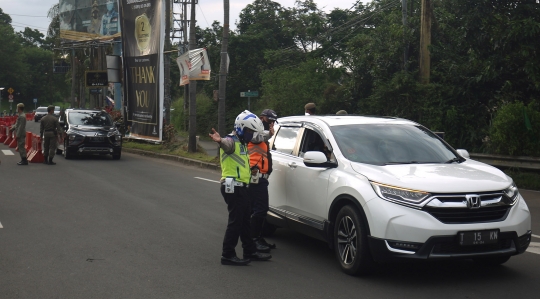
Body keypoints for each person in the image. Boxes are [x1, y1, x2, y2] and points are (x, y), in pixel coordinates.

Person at [209, 110, 272, 266]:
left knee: (245, 223)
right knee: (236, 222)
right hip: (233, 187)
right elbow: (226, 144)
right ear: (240, 128)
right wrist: (219, 141)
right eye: (249, 131)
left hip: (242, 187)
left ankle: (249, 250)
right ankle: (227, 254)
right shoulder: (231, 141)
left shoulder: (243, 142)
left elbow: (259, 138)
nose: (251, 135)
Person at [248, 109, 278, 252]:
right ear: (261, 118)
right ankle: (253, 240)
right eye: (269, 121)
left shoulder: (262, 136)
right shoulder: (253, 133)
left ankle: (257, 237)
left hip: (261, 178)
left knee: (259, 209)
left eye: (273, 122)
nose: (271, 124)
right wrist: (270, 134)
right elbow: (257, 138)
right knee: (260, 209)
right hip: (255, 178)